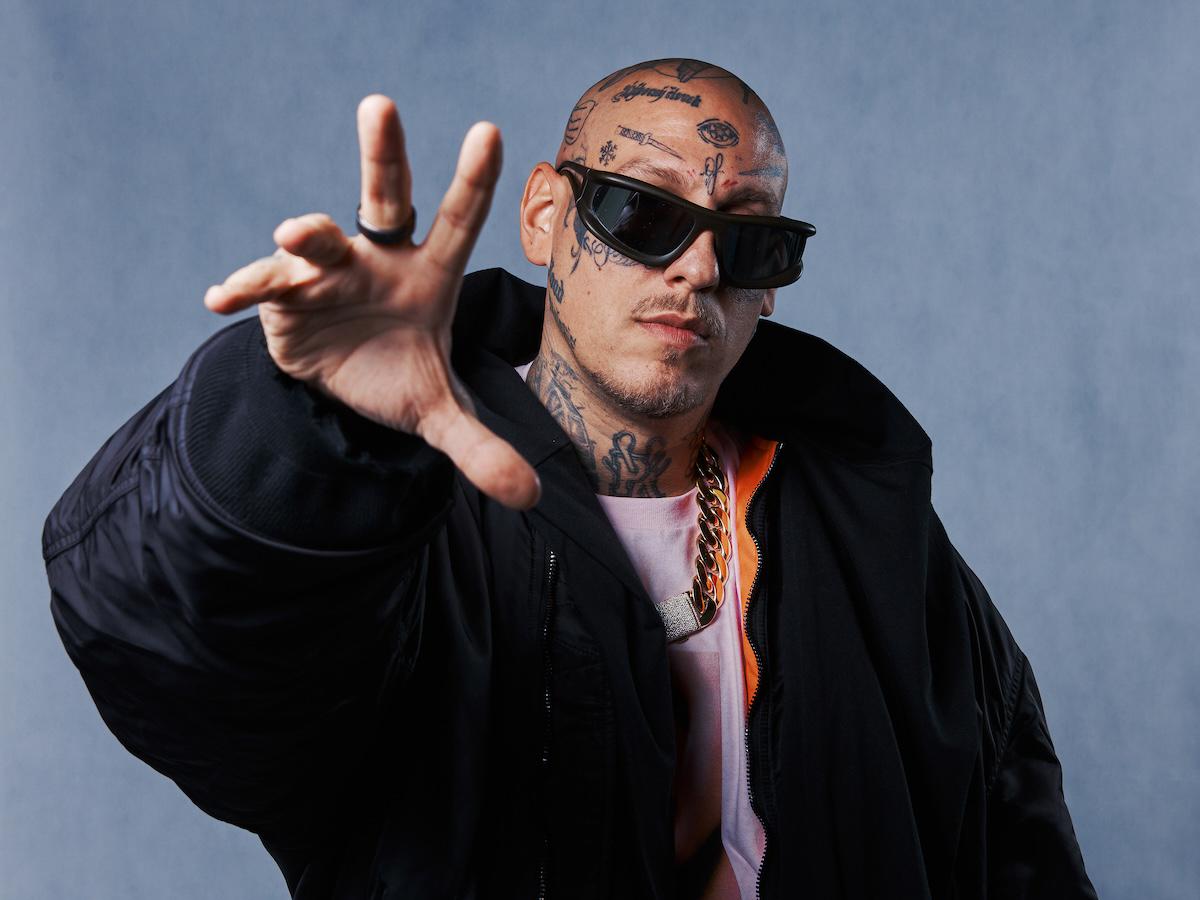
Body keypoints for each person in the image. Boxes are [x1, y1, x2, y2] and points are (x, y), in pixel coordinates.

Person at [42, 58, 1097, 899]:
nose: (697, 269)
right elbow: (188, 658)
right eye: (644, 214)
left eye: (750, 242)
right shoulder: (408, 519)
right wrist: (309, 429)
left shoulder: (867, 527)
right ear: (546, 216)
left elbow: (1012, 839)